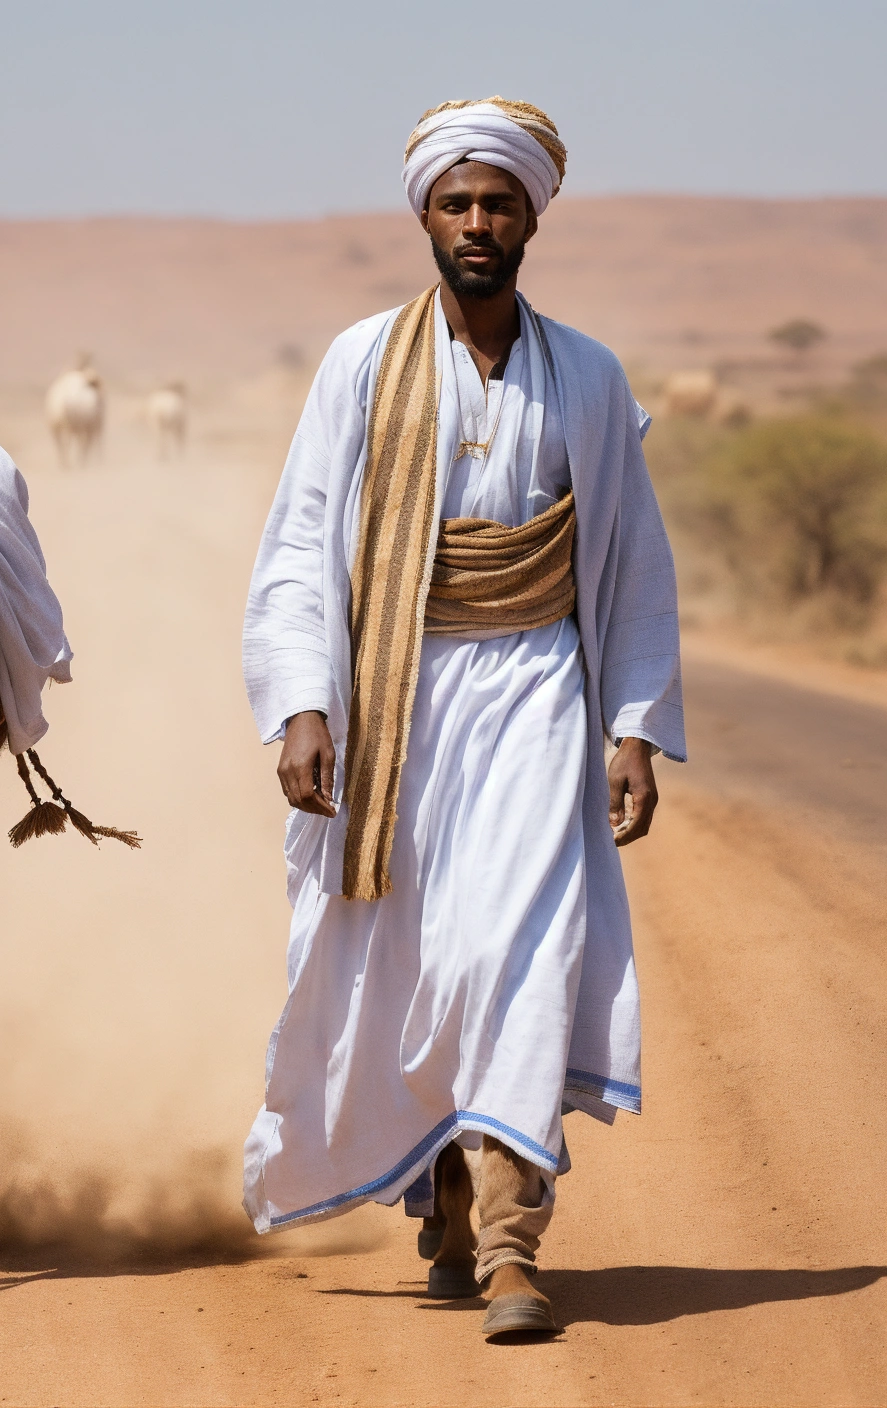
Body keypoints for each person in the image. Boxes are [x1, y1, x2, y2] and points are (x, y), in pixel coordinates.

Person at [238, 97, 686, 1341]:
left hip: (538, 684)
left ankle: (504, 1240)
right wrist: (303, 704)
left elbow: (634, 564)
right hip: (398, 697)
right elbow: (294, 549)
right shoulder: (356, 364)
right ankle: (440, 1185)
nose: (477, 222)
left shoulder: (587, 375)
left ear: (532, 214)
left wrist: (632, 726)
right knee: (422, 960)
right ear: (424, 217)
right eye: (456, 202)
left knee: (512, 954)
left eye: (499, 202)